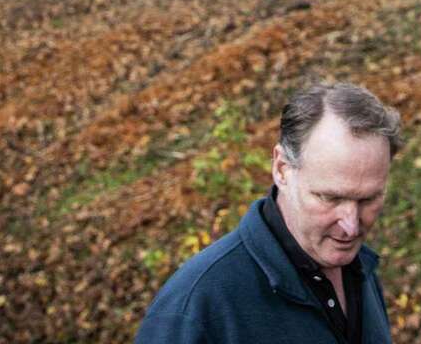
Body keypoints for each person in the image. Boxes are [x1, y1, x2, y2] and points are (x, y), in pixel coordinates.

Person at [135, 82, 403, 344]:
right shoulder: (196, 306)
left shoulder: (360, 270)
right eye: (330, 198)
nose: (351, 226)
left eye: (369, 199)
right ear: (282, 169)